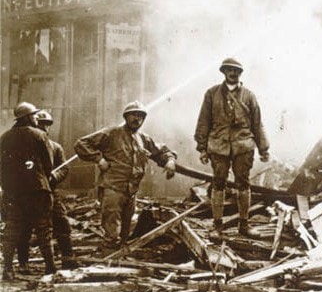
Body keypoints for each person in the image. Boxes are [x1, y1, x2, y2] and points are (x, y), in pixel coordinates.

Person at [74, 101, 177, 253]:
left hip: (131, 192)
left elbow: (161, 151)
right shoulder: (112, 133)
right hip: (113, 188)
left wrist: (170, 160)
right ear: (126, 117)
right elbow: (81, 143)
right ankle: (108, 262)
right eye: (134, 115)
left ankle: (120, 259)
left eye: (141, 116)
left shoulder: (143, 138)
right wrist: (98, 159)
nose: (137, 119)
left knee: (125, 231)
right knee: (112, 230)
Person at [194, 58, 269, 237]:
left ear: (240, 74)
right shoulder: (211, 94)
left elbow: (257, 124)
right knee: (218, 182)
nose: (233, 73)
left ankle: (244, 225)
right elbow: (204, 121)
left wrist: (263, 149)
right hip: (219, 145)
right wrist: (202, 148)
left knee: (243, 183)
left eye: (236, 71)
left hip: (243, 145)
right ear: (224, 72)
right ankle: (217, 226)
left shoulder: (249, 96)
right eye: (229, 70)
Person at [1, 102, 56, 279]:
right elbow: (49, 164)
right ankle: (50, 268)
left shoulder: (4, 138)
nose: (35, 118)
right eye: (33, 116)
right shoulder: (40, 135)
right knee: (43, 229)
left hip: (14, 192)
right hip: (37, 190)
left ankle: (8, 270)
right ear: (27, 117)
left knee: (12, 230)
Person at [27, 111, 77, 269]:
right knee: (30, 227)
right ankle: (25, 263)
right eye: (41, 124)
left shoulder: (55, 147)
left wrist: (54, 177)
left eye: (47, 124)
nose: (44, 127)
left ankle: (68, 259)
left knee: (62, 222)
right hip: (32, 193)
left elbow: (64, 169)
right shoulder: (28, 148)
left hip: (51, 191)